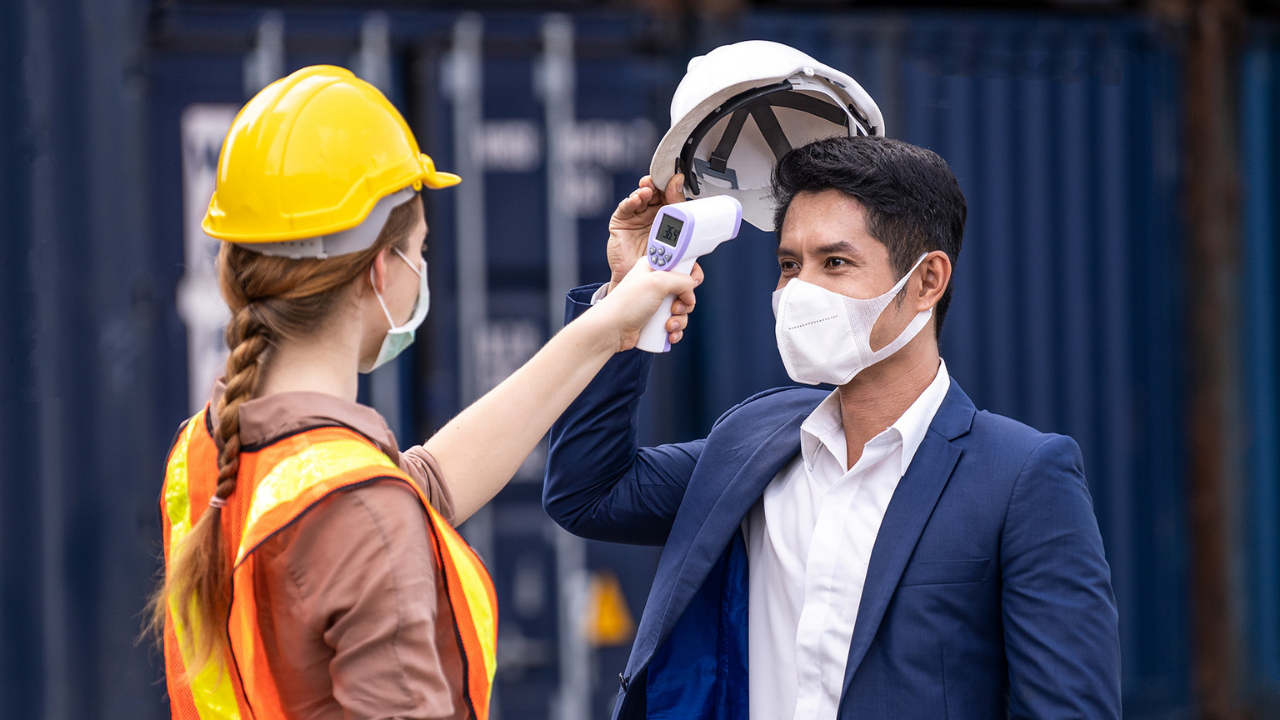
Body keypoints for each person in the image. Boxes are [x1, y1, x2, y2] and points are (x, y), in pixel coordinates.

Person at [147, 66, 700, 720]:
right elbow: (380, 519)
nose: (423, 267)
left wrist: (609, 323)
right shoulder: (361, 513)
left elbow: (422, 485)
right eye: (420, 248)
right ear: (383, 270)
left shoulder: (212, 447)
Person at [544, 136, 1122, 719]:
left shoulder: (1021, 476)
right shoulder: (754, 441)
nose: (798, 291)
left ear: (927, 282)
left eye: (835, 263)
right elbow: (587, 493)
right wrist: (623, 305)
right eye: (789, 265)